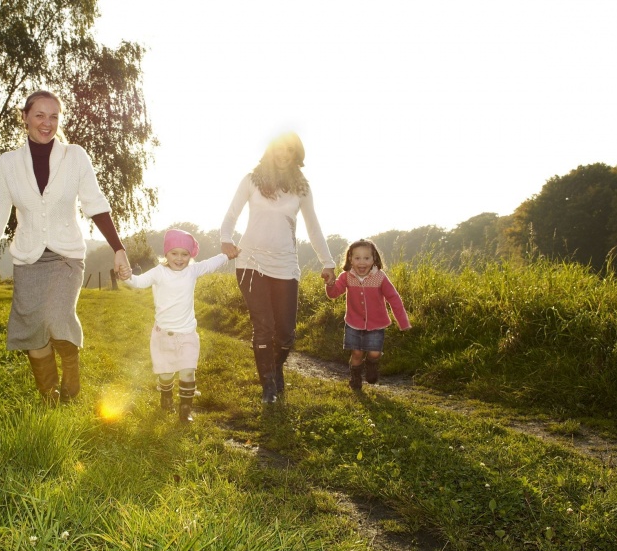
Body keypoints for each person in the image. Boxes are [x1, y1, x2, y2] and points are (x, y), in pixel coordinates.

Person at [0, 90, 131, 405]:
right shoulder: (8, 164)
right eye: (39, 115)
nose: (47, 123)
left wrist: (117, 248)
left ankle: (71, 364)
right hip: (28, 259)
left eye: (54, 116)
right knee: (31, 329)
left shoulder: (74, 156)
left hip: (66, 256)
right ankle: (49, 396)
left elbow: (95, 203)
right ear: (24, 117)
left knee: (55, 315)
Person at [220, 132, 335, 404]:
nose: (284, 155)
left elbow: (313, 226)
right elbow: (231, 214)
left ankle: (275, 366)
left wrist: (328, 262)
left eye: (290, 151)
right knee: (264, 326)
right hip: (251, 262)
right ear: (270, 151)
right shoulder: (251, 180)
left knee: (285, 333)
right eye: (279, 149)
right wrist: (226, 239)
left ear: (296, 155)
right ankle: (268, 386)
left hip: (285, 264)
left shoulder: (302, 188)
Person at [122, 228, 236, 423]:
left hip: (187, 334)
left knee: (188, 370)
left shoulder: (192, 271)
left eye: (185, 254)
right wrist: (127, 277)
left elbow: (210, 264)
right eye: (174, 253)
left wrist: (226, 255)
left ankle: (185, 411)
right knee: (166, 375)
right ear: (166, 253)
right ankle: (166, 397)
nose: (179, 258)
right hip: (163, 335)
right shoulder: (159, 272)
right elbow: (139, 282)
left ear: (190, 256)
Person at [325, 239, 411, 390]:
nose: (362, 262)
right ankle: (355, 377)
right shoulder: (346, 276)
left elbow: (394, 298)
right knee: (357, 353)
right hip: (353, 323)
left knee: (374, 353)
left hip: (376, 324)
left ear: (374, 259)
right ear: (350, 259)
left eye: (366, 258)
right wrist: (330, 283)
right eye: (357, 258)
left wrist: (403, 321)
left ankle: (371, 365)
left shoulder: (380, 277)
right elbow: (334, 294)